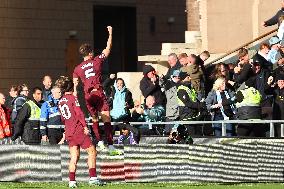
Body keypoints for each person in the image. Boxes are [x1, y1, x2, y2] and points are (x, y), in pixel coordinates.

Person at [73, 26, 120, 154]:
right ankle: (110, 146)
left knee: (94, 119)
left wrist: (75, 99)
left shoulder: (77, 69)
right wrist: (110, 33)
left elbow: (75, 85)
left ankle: (99, 142)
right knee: (106, 118)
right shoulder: (96, 61)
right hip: (97, 92)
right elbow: (108, 48)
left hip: (87, 96)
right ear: (90, 53)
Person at [57, 77, 104, 188]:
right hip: (78, 130)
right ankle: (93, 178)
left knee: (74, 156)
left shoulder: (60, 101)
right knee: (92, 151)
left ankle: (72, 181)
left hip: (69, 131)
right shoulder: (73, 98)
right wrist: (85, 126)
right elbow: (79, 113)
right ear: (70, 87)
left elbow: (63, 119)